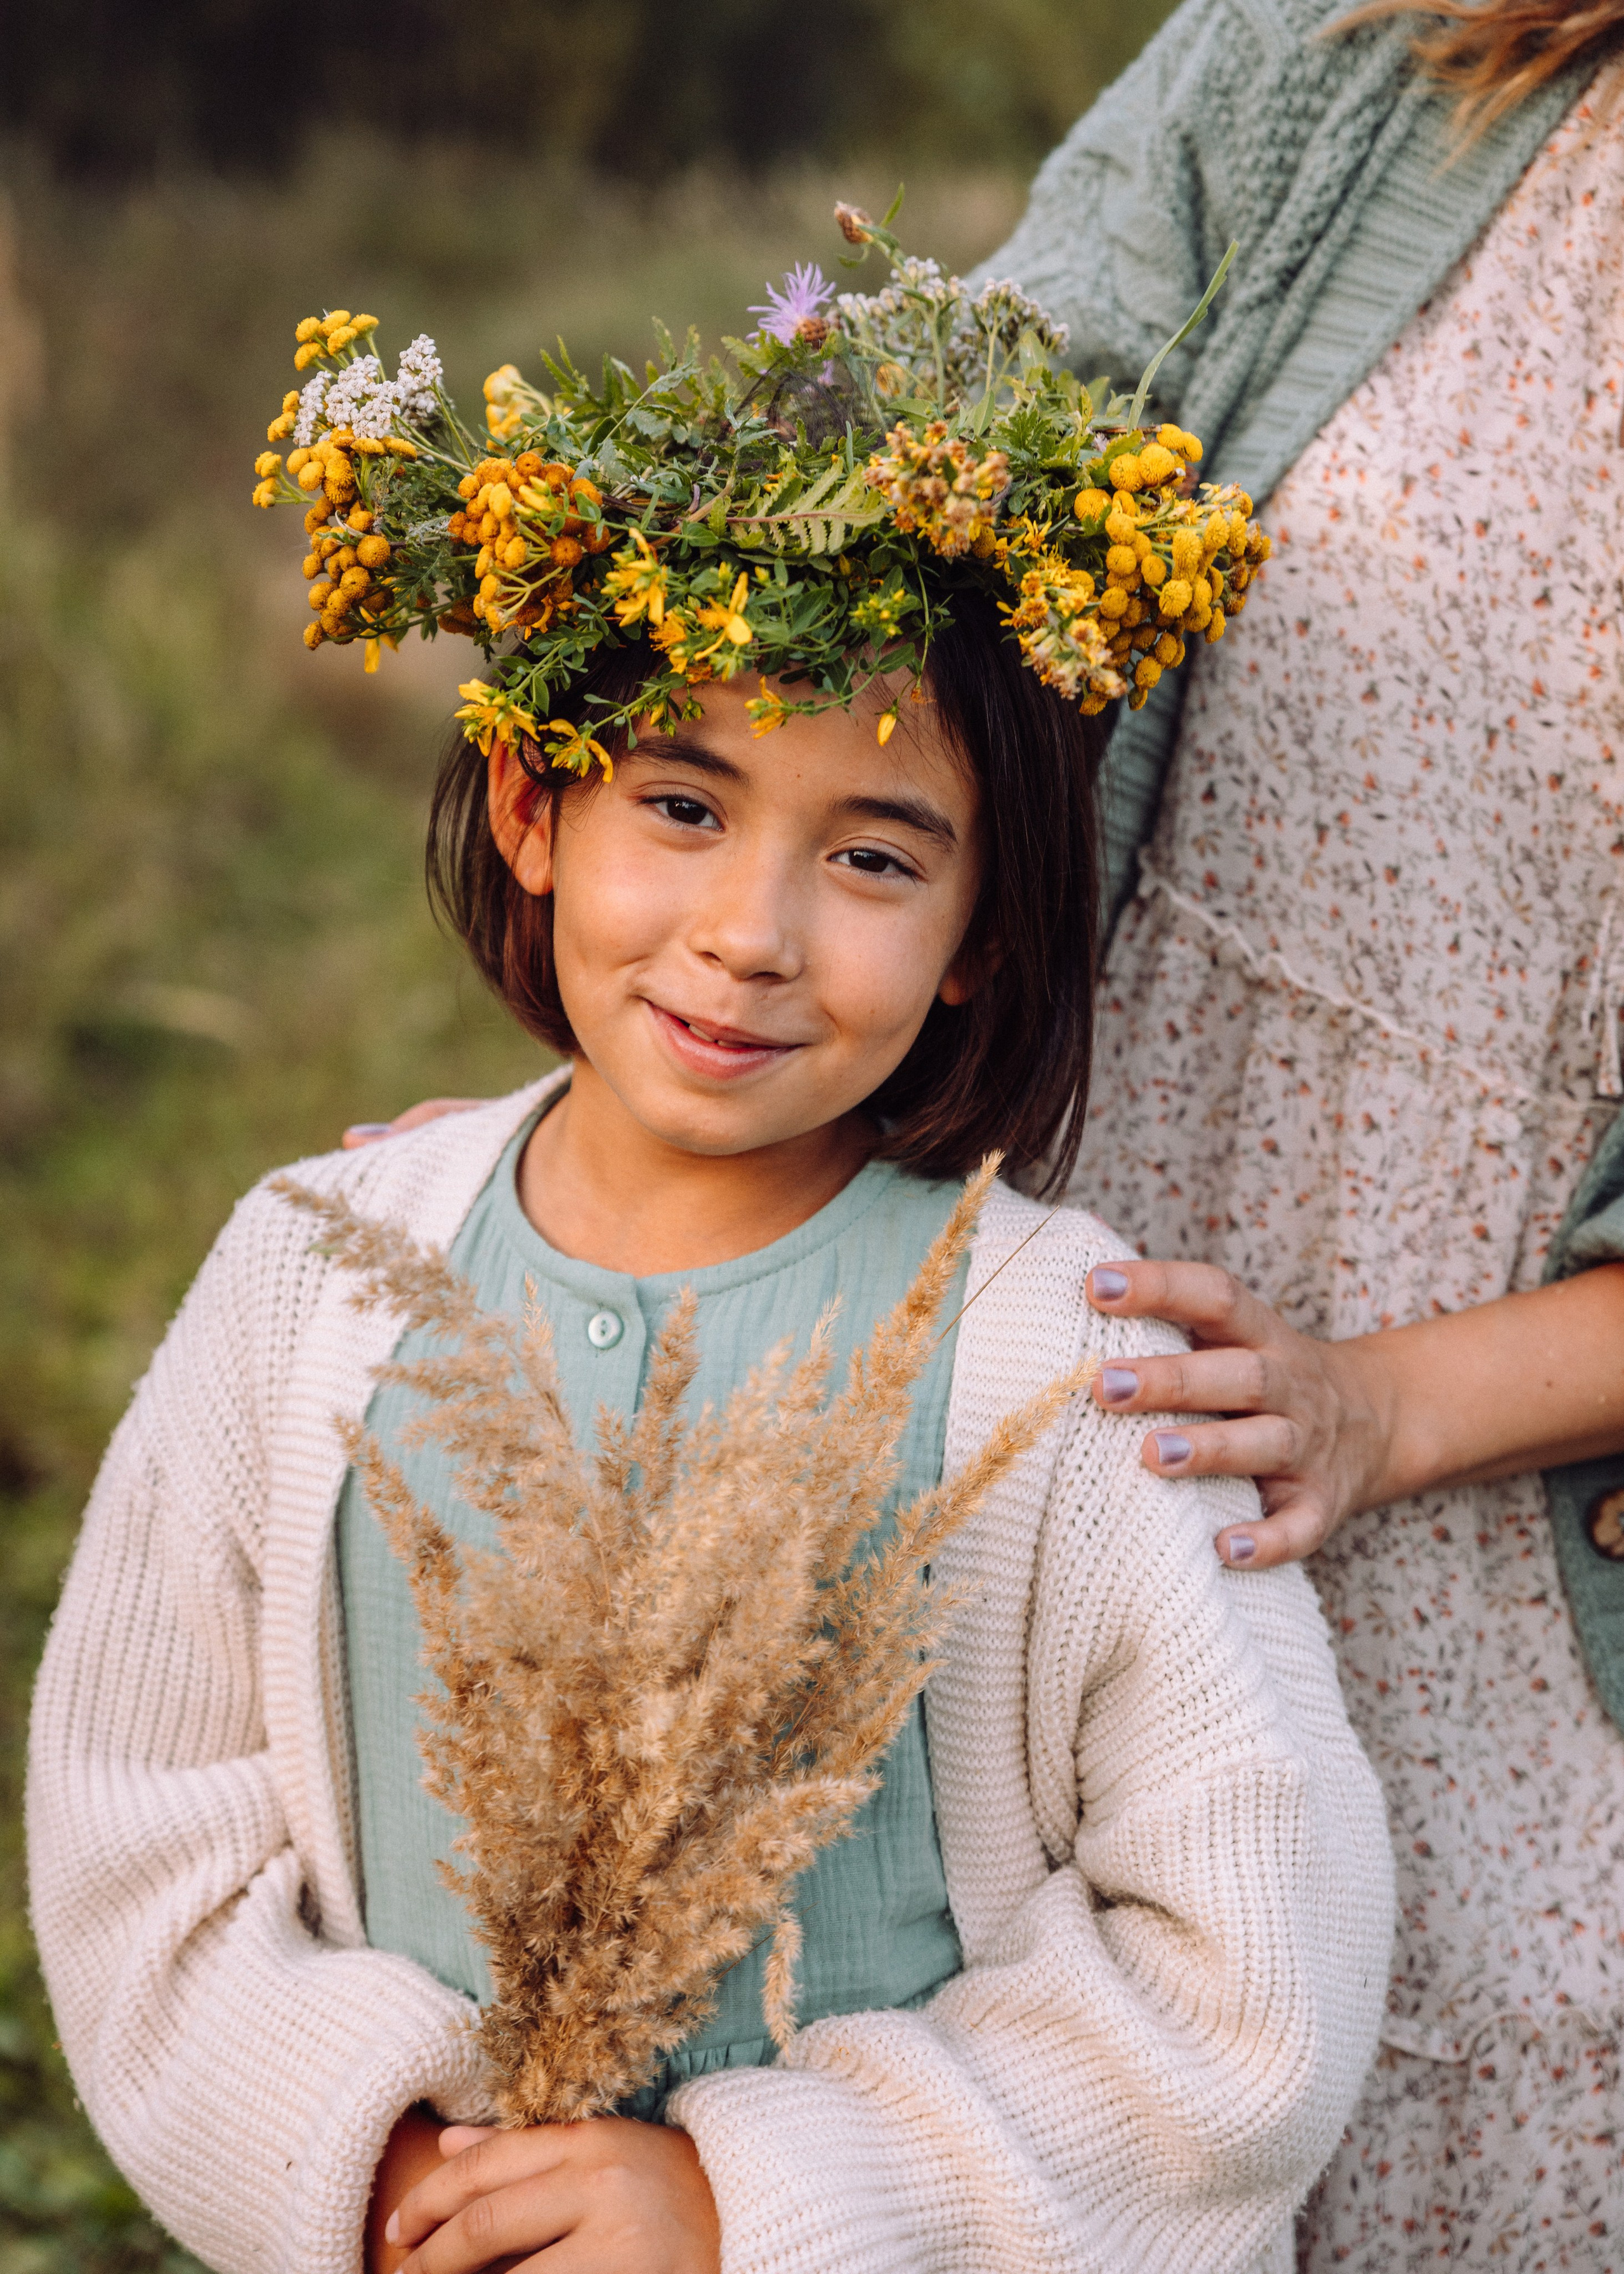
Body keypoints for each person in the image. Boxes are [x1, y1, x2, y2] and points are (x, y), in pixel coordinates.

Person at [27, 246, 1392, 2274]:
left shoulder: (1054, 1359)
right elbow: (144, 1816)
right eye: (680, 800)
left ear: (984, 938)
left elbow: (1249, 1979)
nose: (752, 930)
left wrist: (753, 2203)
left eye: (871, 855)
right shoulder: (319, 1277)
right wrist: (369, 2157)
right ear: (529, 805)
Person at [960, 0, 1624, 2264]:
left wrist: (1375, 1404)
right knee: (1014, 2090)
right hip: (1083, 1329)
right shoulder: (1349, 51)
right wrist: (644, 1087)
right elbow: (929, 538)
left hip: (1519, 1551)